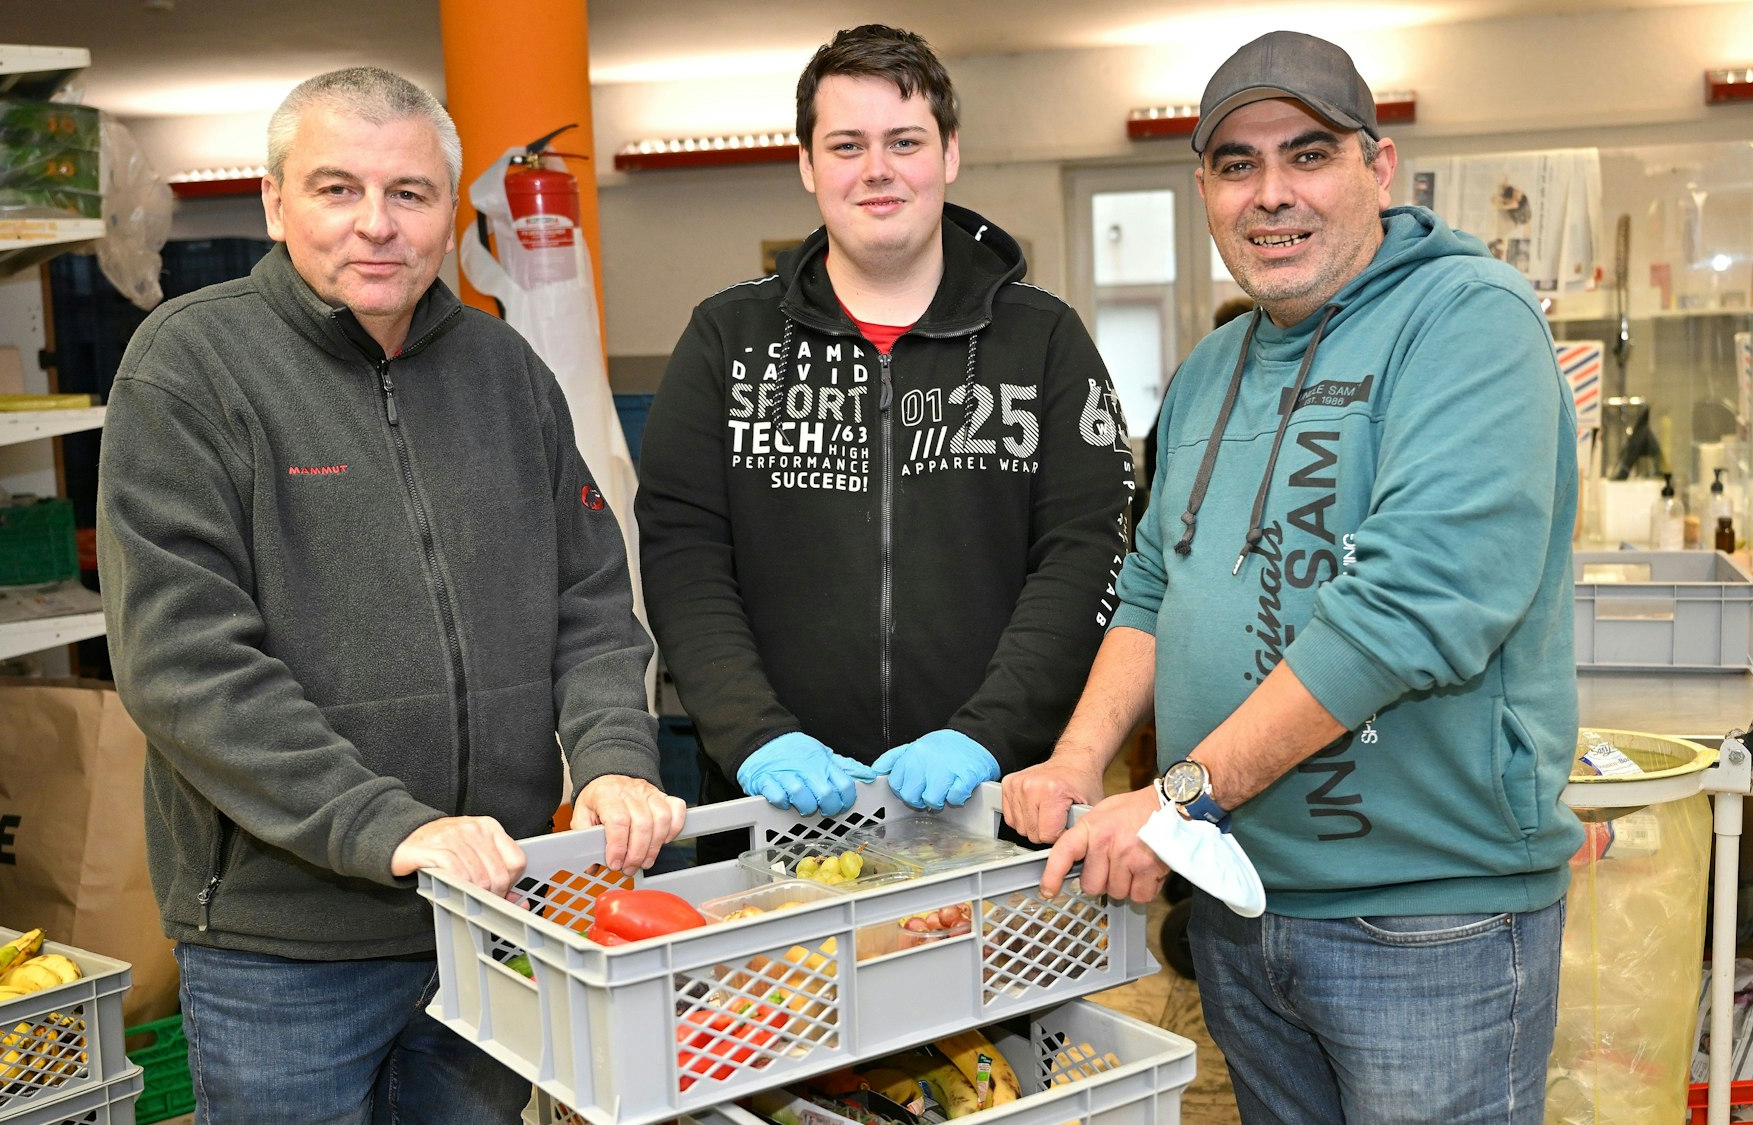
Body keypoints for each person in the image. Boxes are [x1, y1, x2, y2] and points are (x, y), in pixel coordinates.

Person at [1002, 30, 1583, 1125]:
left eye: (1307, 155)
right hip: (1241, 904)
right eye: (1237, 165)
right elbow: (1152, 582)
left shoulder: (1468, 319)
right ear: (1205, 193)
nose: (1270, 194)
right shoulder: (1209, 369)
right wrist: (1079, 757)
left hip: (1426, 923)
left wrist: (1175, 799)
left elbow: (1412, 610)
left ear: (1377, 167)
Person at [96, 67, 685, 1125]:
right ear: (274, 202)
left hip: (490, 914)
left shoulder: (507, 372)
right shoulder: (189, 366)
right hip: (285, 951)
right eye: (337, 189)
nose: (377, 224)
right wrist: (388, 825)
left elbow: (592, 597)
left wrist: (609, 755)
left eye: (409, 193)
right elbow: (183, 661)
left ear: (448, 214)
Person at [636, 25, 1130, 835]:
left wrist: (988, 733)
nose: (877, 169)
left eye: (905, 141)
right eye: (846, 145)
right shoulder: (725, 340)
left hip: (997, 805)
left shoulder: (1045, 340)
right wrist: (755, 734)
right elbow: (683, 557)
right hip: (774, 810)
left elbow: (1085, 553)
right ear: (807, 164)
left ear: (949, 153)